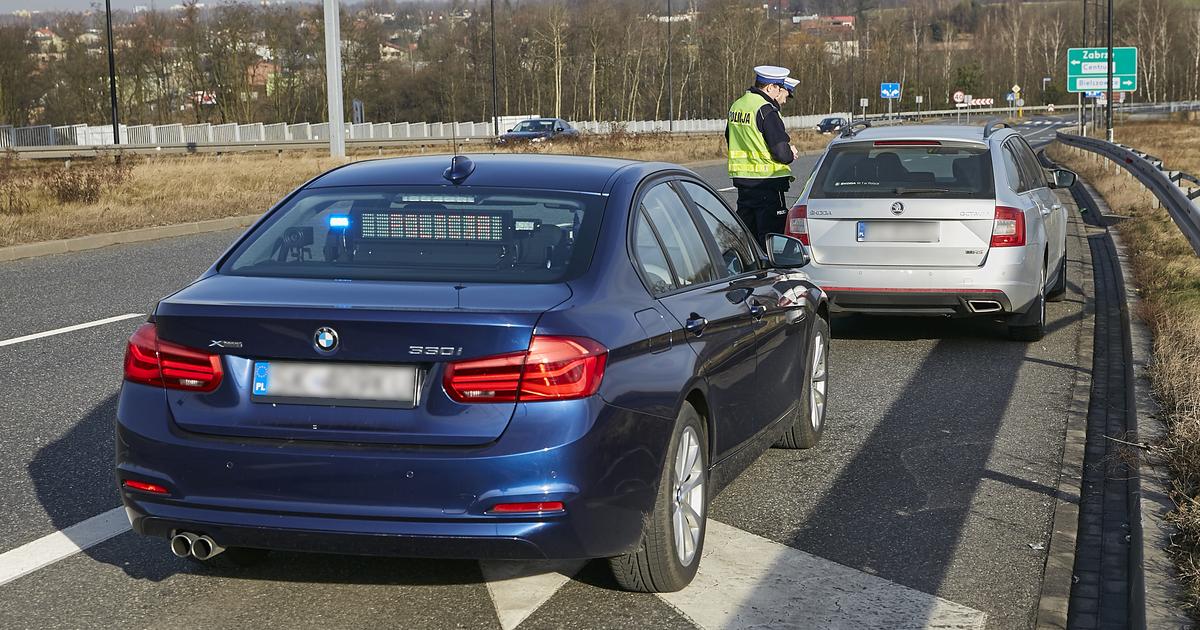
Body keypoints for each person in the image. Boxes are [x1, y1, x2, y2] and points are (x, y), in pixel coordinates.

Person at [725, 65, 798, 244]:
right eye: (779, 88)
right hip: (768, 183)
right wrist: (791, 153)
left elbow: (730, 136)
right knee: (771, 241)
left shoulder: (738, 105)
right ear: (769, 87)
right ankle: (769, 272)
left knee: (749, 239)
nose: (780, 93)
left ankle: (751, 270)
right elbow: (782, 153)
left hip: (744, 184)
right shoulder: (765, 110)